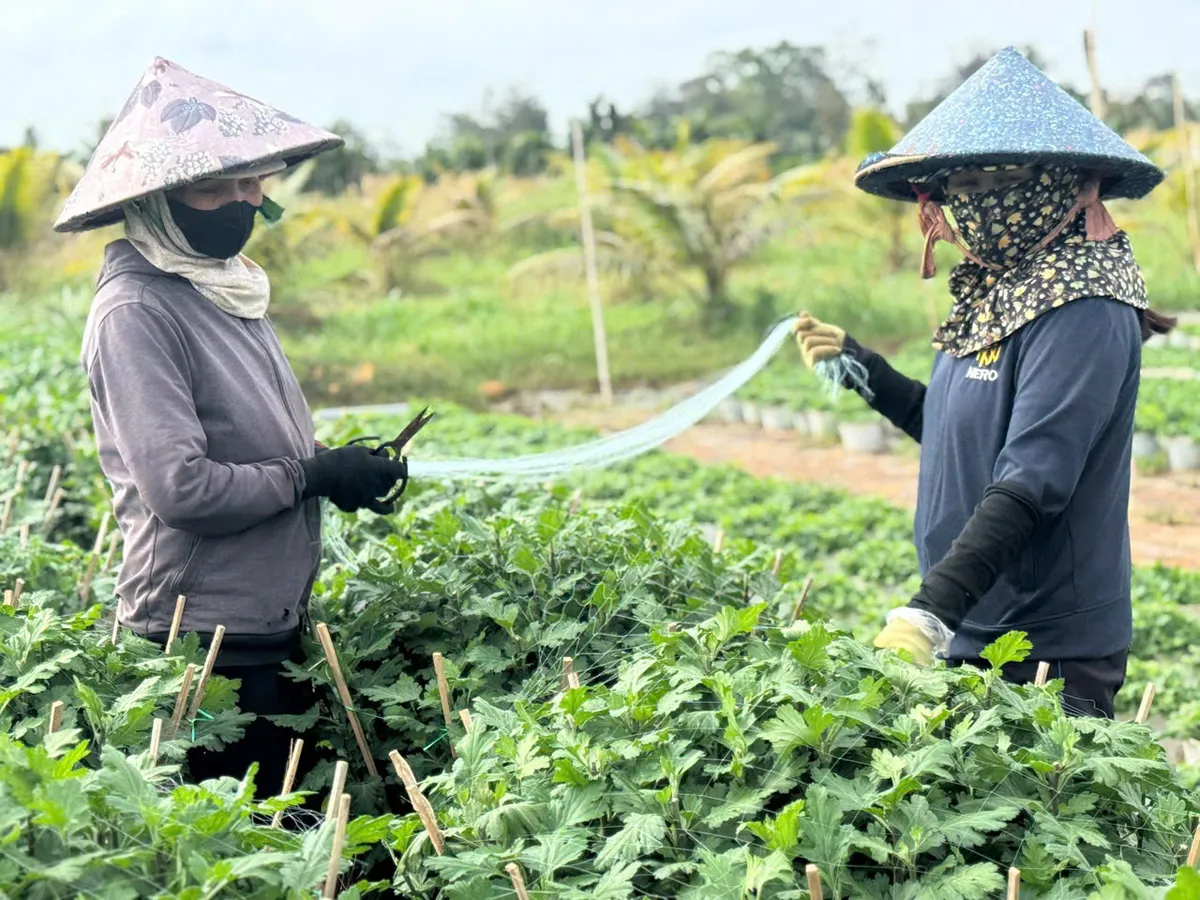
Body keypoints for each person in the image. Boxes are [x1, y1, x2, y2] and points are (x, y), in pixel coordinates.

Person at [57, 57, 409, 793]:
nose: (243, 202)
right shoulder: (138, 313)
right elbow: (183, 490)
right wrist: (309, 475)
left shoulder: (224, 288)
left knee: (284, 836)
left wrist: (333, 469)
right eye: (214, 188)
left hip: (265, 620)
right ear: (153, 201)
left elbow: (252, 442)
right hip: (199, 638)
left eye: (251, 183)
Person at [792, 47, 1176, 719]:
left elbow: (1034, 477)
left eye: (998, 177)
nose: (975, 199)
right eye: (960, 184)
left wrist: (928, 613)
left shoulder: (1083, 307)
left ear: (1071, 181)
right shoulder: (996, 291)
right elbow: (954, 433)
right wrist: (868, 373)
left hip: (1044, 648)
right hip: (975, 622)